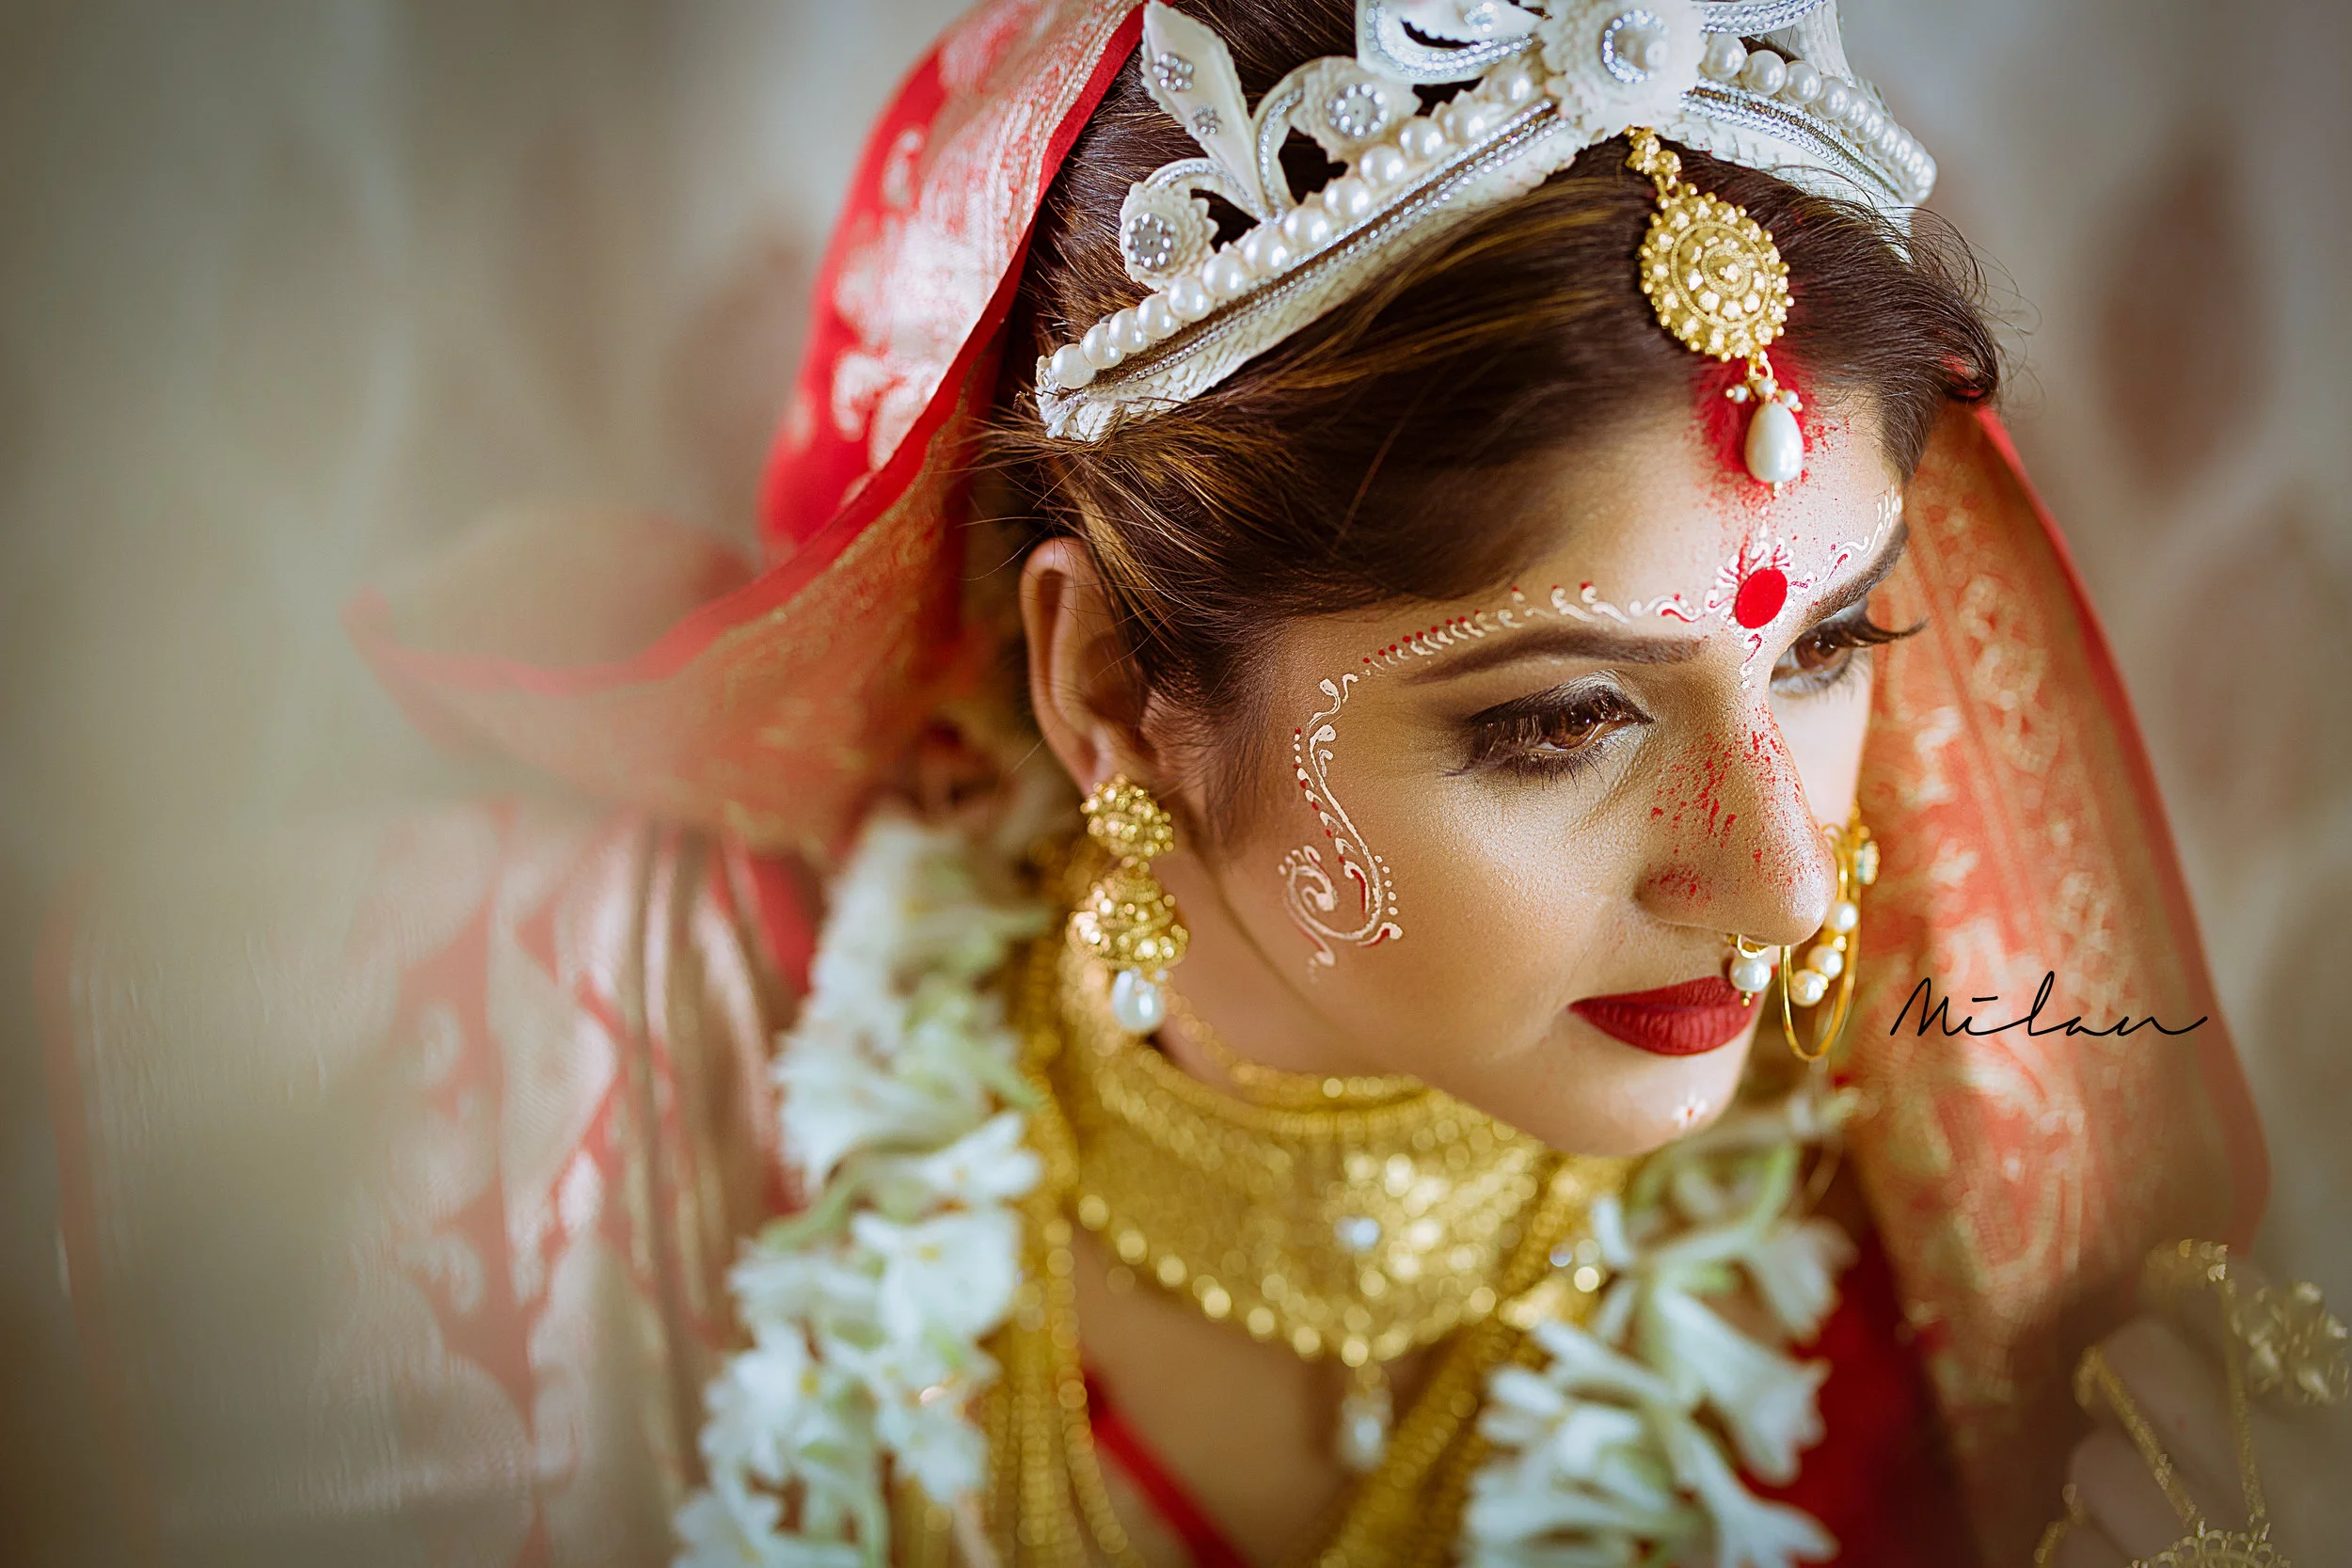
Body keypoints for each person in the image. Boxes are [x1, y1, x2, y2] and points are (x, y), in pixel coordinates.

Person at [38, 2, 2340, 1565]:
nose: (1766, 881)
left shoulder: (1967, 1376)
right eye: (1553, 716)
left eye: (1828, 642)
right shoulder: (570, 1088)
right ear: (1112, 684)